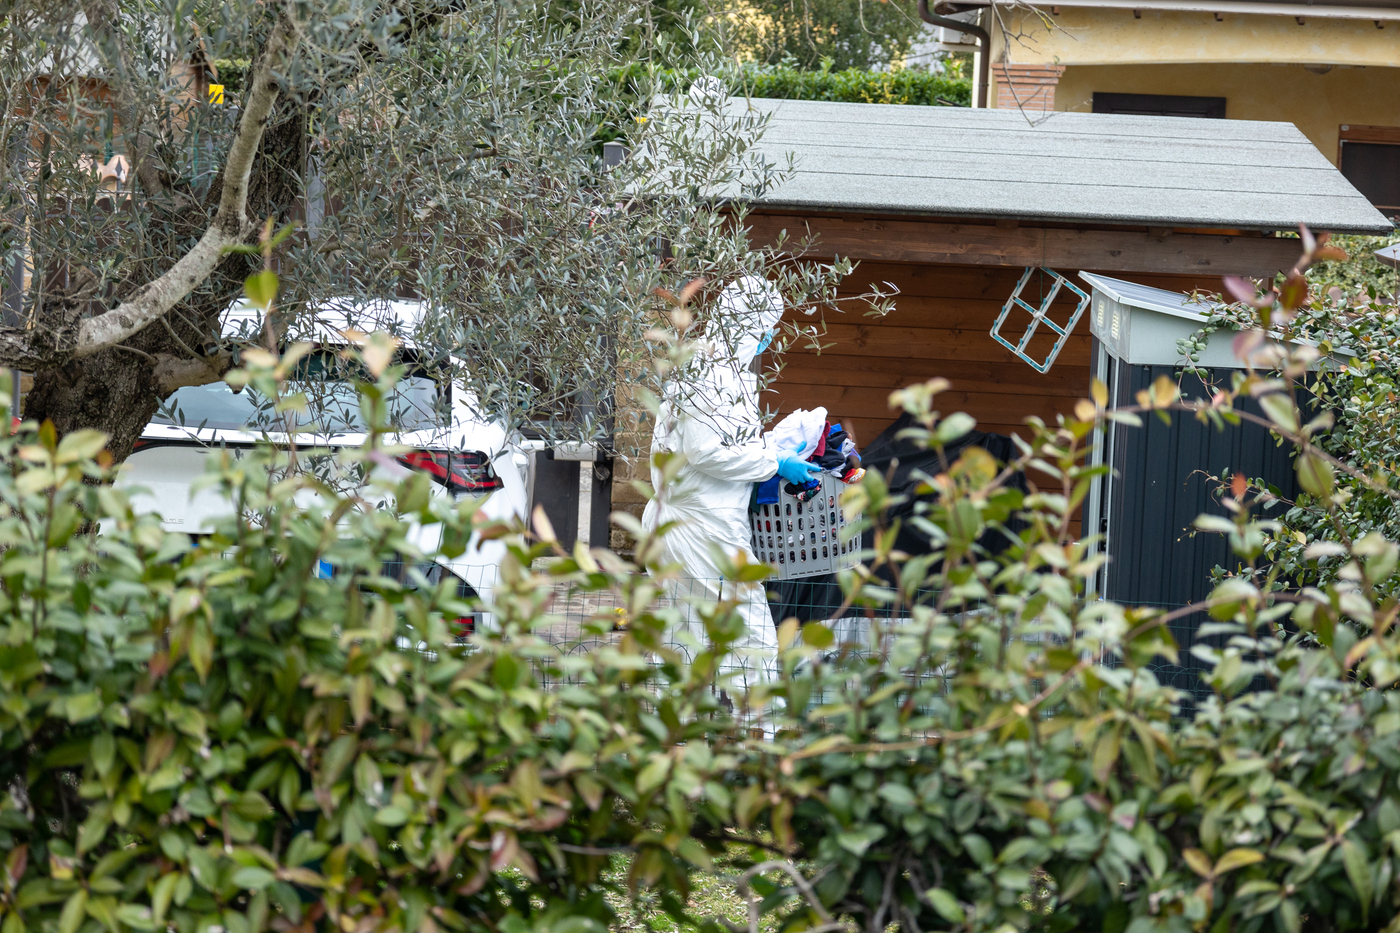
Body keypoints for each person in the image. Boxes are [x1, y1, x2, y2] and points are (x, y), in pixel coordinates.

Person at [642, 274, 821, 700]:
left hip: (701, 524)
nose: (769, 338)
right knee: (752, 639)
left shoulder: (725, 372)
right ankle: (758, 734)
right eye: (766, 328)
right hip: (702, 530)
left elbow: (728, 446)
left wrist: (772, 450)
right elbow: (705, 453)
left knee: (690, 644)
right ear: (749, 324)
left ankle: (674, 733)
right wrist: (773, 462)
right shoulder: (709, 373)